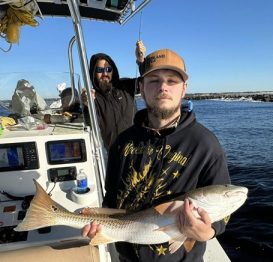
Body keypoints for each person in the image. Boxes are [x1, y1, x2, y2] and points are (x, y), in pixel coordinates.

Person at [82, 48, 231, 262]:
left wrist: (208, 232)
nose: (163, 87)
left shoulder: (205, 145)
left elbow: (224, 212)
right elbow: (112, 198)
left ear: (184, 89)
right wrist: (99, 226)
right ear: (141, 88)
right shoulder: (122, 142)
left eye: (172, 81)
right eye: (153, 80)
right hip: (126, 256)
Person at [82, 40, 146, 151]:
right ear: (93, 72)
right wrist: (87, 105)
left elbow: (147, 80)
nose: (105, 73)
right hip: (114, 156)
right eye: (100, 70)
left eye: (108, 69)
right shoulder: (93, 97)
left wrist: (141, 60)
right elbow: (91, 126)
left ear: (113, 71)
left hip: (139, 149)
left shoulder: (125, 85)